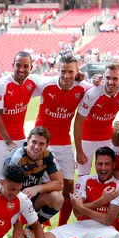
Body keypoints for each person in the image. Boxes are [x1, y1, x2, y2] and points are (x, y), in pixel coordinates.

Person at [33, 54, 91, 226]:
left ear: (77, 71)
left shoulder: (83, 88)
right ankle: (33, 224)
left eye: (71, 72)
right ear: (58, 70)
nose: (66, 76)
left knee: (68, 187)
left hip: (64, 143)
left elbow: (103, 86)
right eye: (63, 71)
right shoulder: (45, 85)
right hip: (41, 142)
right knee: (36, 184)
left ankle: (62, 226)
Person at [74, 63, 119, 177]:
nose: (111, 82)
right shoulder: (93, 94)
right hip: (86, 139)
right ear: (104, 77)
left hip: (107, 138)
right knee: (82, 177)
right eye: (108, 78)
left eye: (115, 79)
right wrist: (79, 150)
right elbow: (78, 122)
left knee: (110, 175)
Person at [0, 51, 40, 182]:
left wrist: (77, 76)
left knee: (19, 177)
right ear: (13, 65)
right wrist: (8, 142)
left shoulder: (33, 82)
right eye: (18, 65)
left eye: (26, 66)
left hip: (19, 136)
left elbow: (56, 81)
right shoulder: (0, 84)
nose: (21, 69)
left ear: (31, 68)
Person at [5, 126, 64, 235]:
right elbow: (6, 190)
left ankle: (31, 228)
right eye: (34, 142)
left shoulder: (48, 154)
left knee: (57, 198)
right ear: (27, 140)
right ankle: (5, 227)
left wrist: (37, 188)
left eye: (41, 144)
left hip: (31, 196)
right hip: (12, 197)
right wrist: (16, 226)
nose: (37, 147)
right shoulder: (16, 157)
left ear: (47, 145)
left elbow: (59, 183)